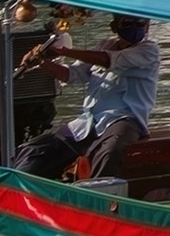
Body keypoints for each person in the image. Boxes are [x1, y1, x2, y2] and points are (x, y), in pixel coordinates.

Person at [17, 14, 159, 182]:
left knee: (109, 151)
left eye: (141, 23)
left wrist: (63, 51)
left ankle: (101, 198)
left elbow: (108, 60)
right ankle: (21, 187)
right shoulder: (105, 46)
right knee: (35, 148)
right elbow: (71, 75)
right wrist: (42, 61)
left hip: (125, 119)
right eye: (127, 23)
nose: (136, 27)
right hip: (88, 121)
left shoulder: (149, 51)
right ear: (115, 26)